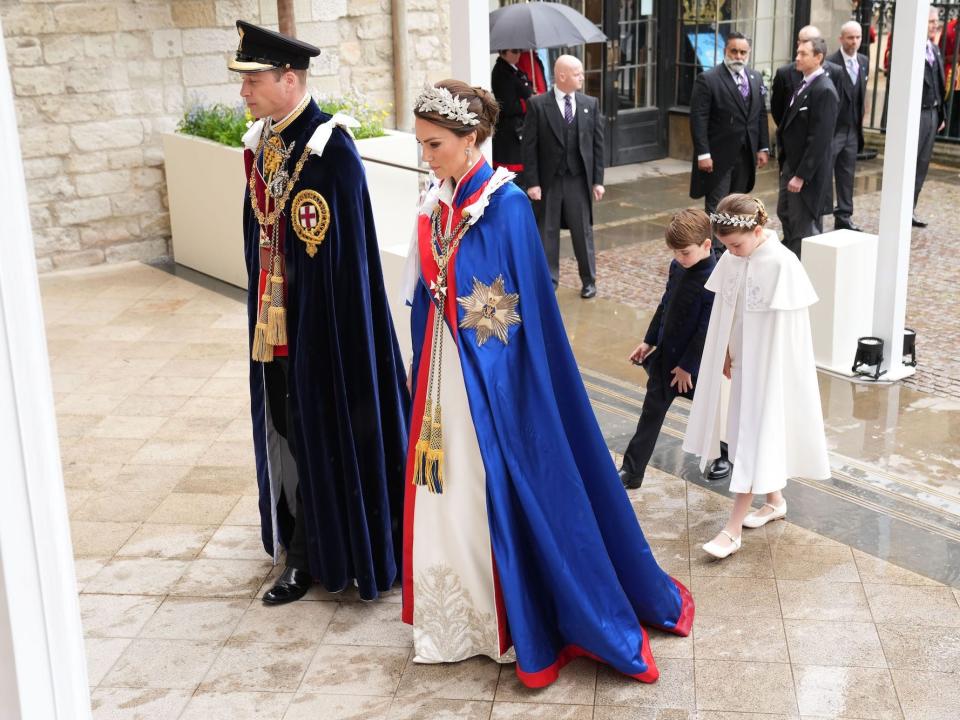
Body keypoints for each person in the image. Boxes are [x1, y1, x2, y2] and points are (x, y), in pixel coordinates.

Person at [403, 79, 693, 687]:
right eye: (423, 144)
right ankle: (458, 616)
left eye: (434, 144)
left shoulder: (504, 206)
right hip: (443, 373)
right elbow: (424, 288)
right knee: (445, 489)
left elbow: (519, 316)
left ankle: (512, 616)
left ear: (470, 138)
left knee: (488, 487)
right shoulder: (438, 200)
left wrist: (487, 369)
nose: (425, 156)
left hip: (493, 384)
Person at [229, 21, 409, 605]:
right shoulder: (265, 143)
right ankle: (299, 539)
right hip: (275, 327)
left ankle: (313, 556)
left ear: (289, 78)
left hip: (325, 331)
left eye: (253, 79)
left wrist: (315, 332)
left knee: (315, 433)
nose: (244, 92)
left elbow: (348, 265)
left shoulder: (329, 151)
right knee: (285, 429)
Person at [683, 194, 831, 559]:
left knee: (751, 438)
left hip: (769, 370)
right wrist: (727, 351)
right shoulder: (735, 259)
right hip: (744, 365)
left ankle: (732, 529)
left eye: (735, 245)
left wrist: (771, 370)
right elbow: (729, 312)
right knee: (744, 433)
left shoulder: (783, 264)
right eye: (725, 246)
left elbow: (790, 335)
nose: (730, 253)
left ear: (758, 230)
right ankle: (775, 501)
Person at [619, 210, 716, 489]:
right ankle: (632, 471)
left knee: (714, 412)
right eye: (674, 253)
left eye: (684, 253)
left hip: (693, 367)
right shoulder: (678, 267)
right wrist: (648, 341)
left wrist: (688, 367)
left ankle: (726, 455)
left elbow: (705, 328)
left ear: (706, 245)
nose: (678, 259)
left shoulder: (714, 276)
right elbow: (665, 306)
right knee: (650, 414)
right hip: (665, 360)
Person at [522, 54, 605, 299]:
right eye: (577, 73)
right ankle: (549, 280)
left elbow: (598, 145)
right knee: (547, 232)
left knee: (583, 232)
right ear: (562, 76)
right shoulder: (538, 104)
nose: (582, 77)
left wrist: (598, 181)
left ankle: (589, 280)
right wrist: (533, 183)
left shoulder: (590, 103)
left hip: (578, 180)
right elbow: (529, 147)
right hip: (549, 182)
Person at [689, 32, 770, 232]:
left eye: (743, 52)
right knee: (717, 208)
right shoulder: (708, 79)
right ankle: (715, 252)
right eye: (734, 51)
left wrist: (763, 147)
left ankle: (734, 247)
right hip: (718, 157)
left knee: (738, 207)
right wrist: (703, 153)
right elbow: (698, 119)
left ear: (748, 53)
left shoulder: (755, 78)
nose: (738, 56)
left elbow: (760, 114)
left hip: (746, 155)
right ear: (726, 51)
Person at [775, 36, 839, 258]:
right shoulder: (803, 84)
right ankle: (791, 264)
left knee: (803, 227)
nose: (797, 58)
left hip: (806, 174)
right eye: (797, 52)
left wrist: (801, 175)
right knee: (785, 214)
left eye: (803, 54)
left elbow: (820, 139)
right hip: (790, 165)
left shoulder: (825, 90)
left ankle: (801, 271)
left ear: (818, 57)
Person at [827, 21, 869, 231]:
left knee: (846, 174)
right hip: (834, 130)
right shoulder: (830, 63)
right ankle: (818, 213)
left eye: (858, 37)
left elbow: (861, 92)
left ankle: (844, 216)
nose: (854, 42)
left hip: (853, 130)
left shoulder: (864, 61)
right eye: (850, 38)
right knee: (825, 172)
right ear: (841, 39)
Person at [770, 26, 844, 128]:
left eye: (814, 41)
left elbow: (836, 108)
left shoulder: (835, 72)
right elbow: (777, 109)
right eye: (803, 41)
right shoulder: (784, 73)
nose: (806, 45)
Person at [913, 7, 947, 228]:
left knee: (923, 164)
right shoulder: (913, 50)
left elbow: (939, 82)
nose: (935, 25)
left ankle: (911, 208)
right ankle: (902, 207)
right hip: (918, 113)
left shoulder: (933, 49)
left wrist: (941, 114)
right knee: (911, 161)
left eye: (936, 22)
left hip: (933, 113)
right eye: (931, 21)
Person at [491, 48, 534, 181]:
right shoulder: (501, 72)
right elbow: (508, 106)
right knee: (513, 177)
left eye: (520, 50)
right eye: (515, 51)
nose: (519, 54)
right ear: (503, 52)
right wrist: (531, 103)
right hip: (509, 131)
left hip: (519, 127)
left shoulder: (513, 69)